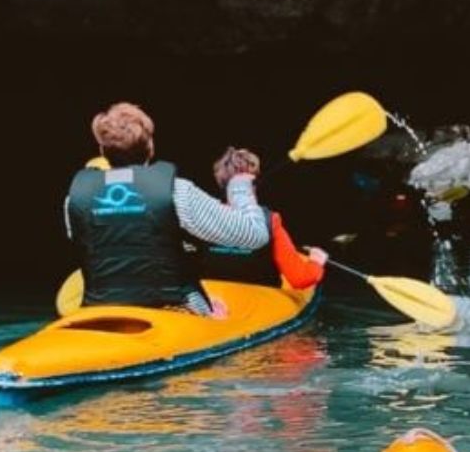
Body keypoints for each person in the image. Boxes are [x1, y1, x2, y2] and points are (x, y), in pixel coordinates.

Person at [65, 102, 269, 315]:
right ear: (150, 146)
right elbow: (254, 235)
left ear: (102, 150)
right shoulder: (177, 191)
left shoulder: (75, 197)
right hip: (175, 307)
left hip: (99, 311)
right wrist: (239, 185)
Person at [212, 147, 327, 289]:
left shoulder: (203, 214)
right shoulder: (270, 221)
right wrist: (316, 261)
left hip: (215, 301)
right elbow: (300, 279)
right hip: (261, 302)